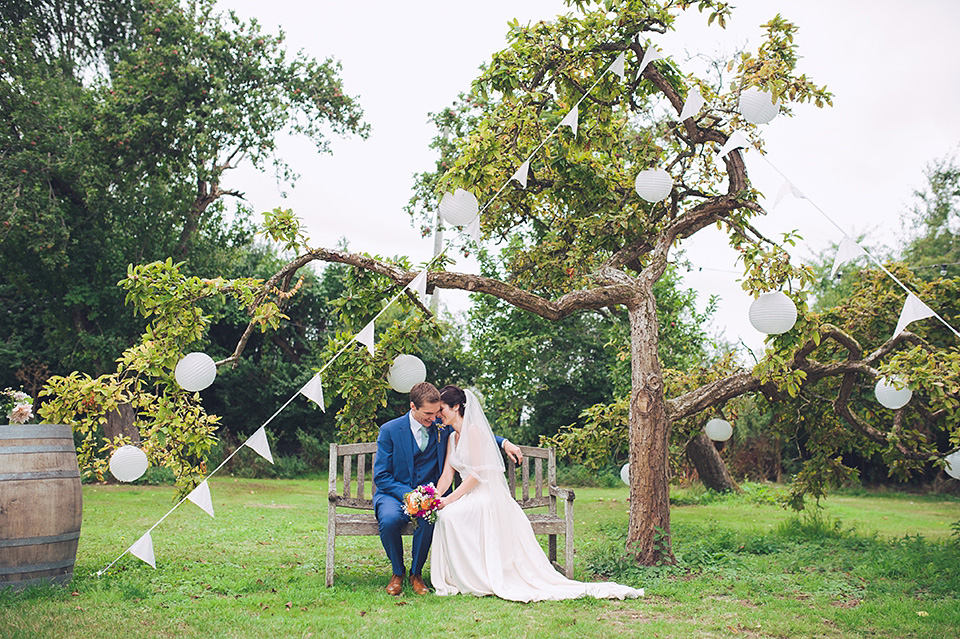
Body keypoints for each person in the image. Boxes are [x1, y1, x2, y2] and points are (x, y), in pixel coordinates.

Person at [431, 384, 644, 602]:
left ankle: (477, 576)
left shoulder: (475, 431)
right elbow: (447, 474)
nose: (438, 415)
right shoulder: (450, 437)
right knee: (445, 515)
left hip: (485, 496)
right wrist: (435, 498)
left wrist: (449, 499)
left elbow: (476, 475)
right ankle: (462, 576)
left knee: (450, 516)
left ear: (456, 406)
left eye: (442, 409)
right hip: (468, 495)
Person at [373, 381, 523, 596]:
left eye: (437, 413)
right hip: (393, 493)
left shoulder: (440, 428)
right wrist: (409, 495)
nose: (434, 419)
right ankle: (398, 573)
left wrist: (504, 442)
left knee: (429, 517)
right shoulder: (389, 430)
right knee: (388, 520)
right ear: (413, 407)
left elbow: (475, 431)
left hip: (429, 494)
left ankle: (417, 574)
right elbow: (382, 476)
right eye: (428, 414)